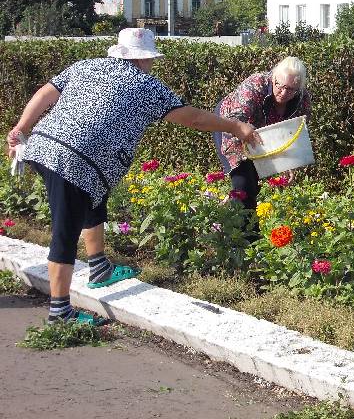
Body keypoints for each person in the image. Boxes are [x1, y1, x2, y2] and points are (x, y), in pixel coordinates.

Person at [5, 28, 261, 325]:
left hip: (46, 147)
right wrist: (235, 127)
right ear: (144, 59)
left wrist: (22, 127)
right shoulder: (145, 85)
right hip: (72, 159)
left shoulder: (86, 65)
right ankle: (60, 313)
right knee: (65, 230)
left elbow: (45, 93)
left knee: (92, 198)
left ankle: (99, 266)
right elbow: (192, 117)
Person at [213, 56, 311, 211]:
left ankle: (227, 212)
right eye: (279, 85)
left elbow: (293, 133)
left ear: (299, 88)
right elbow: (236, 119)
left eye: (291, 89)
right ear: (273, 78)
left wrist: (288, 163)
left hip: (262, 132)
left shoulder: (302, 99)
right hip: (230, 125)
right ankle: (243, 231)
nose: (284, 93)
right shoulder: (256, 84)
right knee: (244, 182)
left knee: (254, 182)